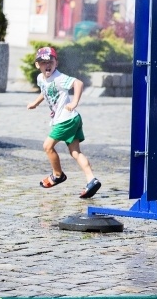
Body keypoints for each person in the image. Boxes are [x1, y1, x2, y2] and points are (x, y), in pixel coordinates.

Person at [26, 47, 102, 199]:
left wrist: (74, 101)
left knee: (47, 146)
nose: (47, 65)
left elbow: (78, 83)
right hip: (72, 119)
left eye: (50, 61)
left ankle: (58, 175)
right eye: (42, 62)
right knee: (75, 152)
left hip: (65, 119)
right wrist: (35, 102)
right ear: (37, 65)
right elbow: (45, 91)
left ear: (56, 63)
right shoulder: (41, 79)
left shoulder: (59, 78)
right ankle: (91, 179)